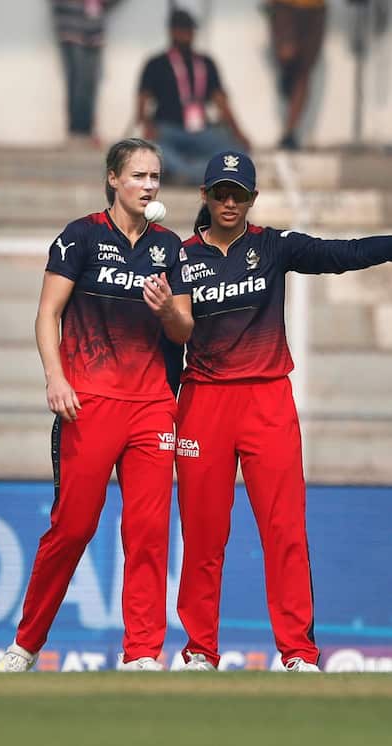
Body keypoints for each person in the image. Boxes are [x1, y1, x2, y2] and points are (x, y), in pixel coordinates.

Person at [175, 150, 392, 671]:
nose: (230, 202)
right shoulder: (178, 256)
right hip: (203, 401)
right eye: (221, 193)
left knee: (284, 530)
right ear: (205, 196)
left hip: (267, 399)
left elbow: (342, 253)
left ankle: (297, 651)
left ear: (252, 198)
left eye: (239, 194)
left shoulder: (272, 245)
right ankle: (200, 650)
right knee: (202, 535)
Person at [0, 138, 193, 673]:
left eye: (154, 176)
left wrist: (165, 310)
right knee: (74, 528)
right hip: (88, 402)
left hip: (152, 406)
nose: (148, 186)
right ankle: (25, 645)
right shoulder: (79, 237)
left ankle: (142, 653)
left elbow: (183, 329)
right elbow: (47, 314)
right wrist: (55, 378)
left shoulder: (169, 247)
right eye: (138, 176)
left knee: (148, 531)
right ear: (113, 179)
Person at [137, 8, 251, 185]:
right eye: (182, 30)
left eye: (190, 30)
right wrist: (147, 125)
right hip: (168, 129)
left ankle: (185, 172)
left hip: (201, 131)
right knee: (152, 151)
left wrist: (239, 133)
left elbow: (221, 101)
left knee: (235, 153)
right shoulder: (156, 63)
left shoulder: (206, 62)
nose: (187, 34)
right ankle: (198, 172)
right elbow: (142, 99)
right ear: (172, 31)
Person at [50, 0, 121, 144]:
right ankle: (78, 132)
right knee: (78, 82)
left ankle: (86, 131)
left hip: (94, 31)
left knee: (89, 83)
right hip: (71, 26)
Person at [266, 0, 327, 150]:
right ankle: (287, 75)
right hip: (284, 5)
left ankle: (290, 132)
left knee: (304, 72)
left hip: (315, 7)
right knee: (287, 54)